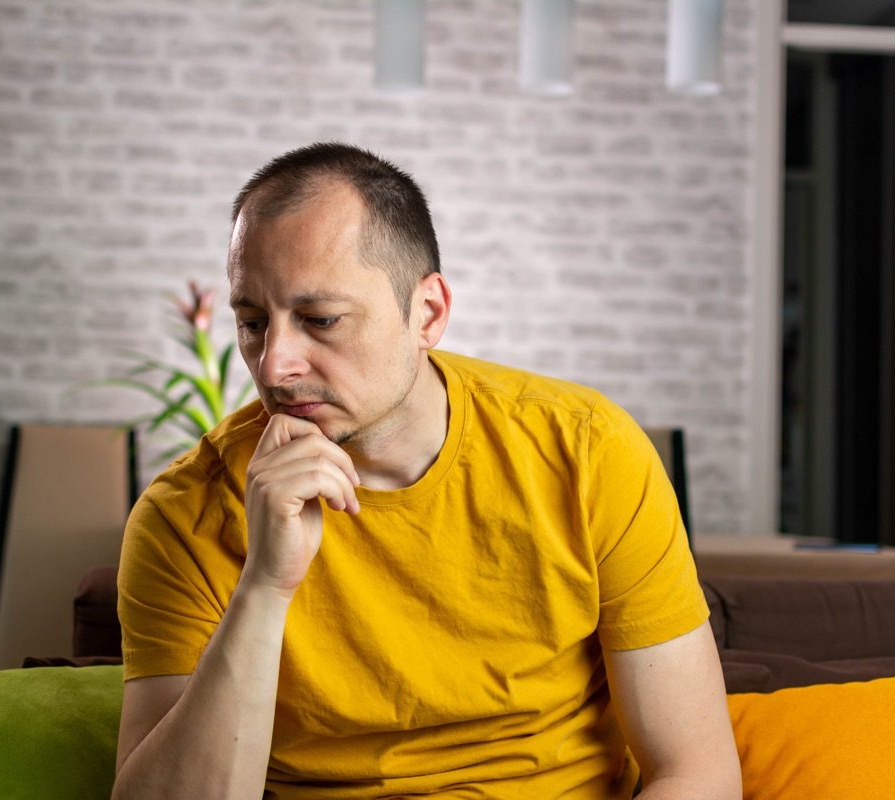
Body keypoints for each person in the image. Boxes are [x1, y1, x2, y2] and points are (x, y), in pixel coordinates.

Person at [111, 142, 741, 800]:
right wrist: (265, 588)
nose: (274, 367)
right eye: (251, 322)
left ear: (429, 314)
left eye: (320, 320)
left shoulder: (587, 452)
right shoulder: (184, 512)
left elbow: (696, 771)